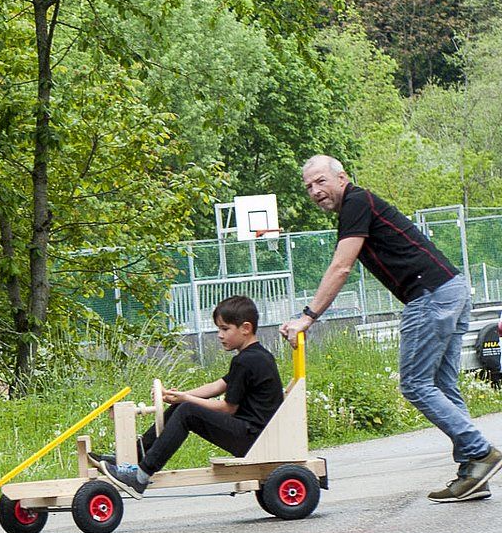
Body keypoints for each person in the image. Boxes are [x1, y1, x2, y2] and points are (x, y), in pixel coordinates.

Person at [282, 156, 501, 503]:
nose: (315, 191)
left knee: (415, 384)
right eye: (309, 186)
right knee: (442, 385)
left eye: (321, 181)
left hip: (429, 294)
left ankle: (480, 451)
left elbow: (341, 267)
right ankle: (473, 473)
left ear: (341, 178)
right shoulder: (357, 205)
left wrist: (307, 316)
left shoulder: (355, 201)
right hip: (451, 288)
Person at [96, 296, 283, 495]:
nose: (219, 335)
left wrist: (186, 400)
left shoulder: (247, 361)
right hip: (257, 434)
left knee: (188, 411)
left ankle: (140, 476)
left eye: (225, 329)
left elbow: (228, 408)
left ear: (245, 328)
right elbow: (217, 386)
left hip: (254, 438)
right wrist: (178, 395)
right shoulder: (256, 355)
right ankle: (130, 458)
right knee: (183, 406)